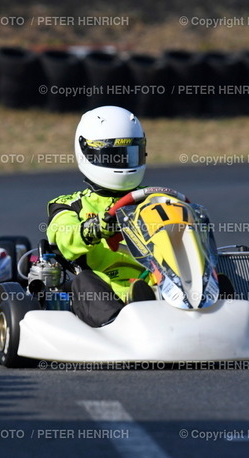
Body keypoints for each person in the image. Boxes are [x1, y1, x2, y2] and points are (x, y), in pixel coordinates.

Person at [47, 105, 181, 327]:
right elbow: (64, 239)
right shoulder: (69, 205)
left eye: (128, 154)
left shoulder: (156, 199)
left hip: (154, 282)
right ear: (87, 152)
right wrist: (94, 228)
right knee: (85, 281)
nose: (121, 162)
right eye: (112, 155)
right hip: (103, 288)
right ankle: (119, 324)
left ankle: (208, 305)